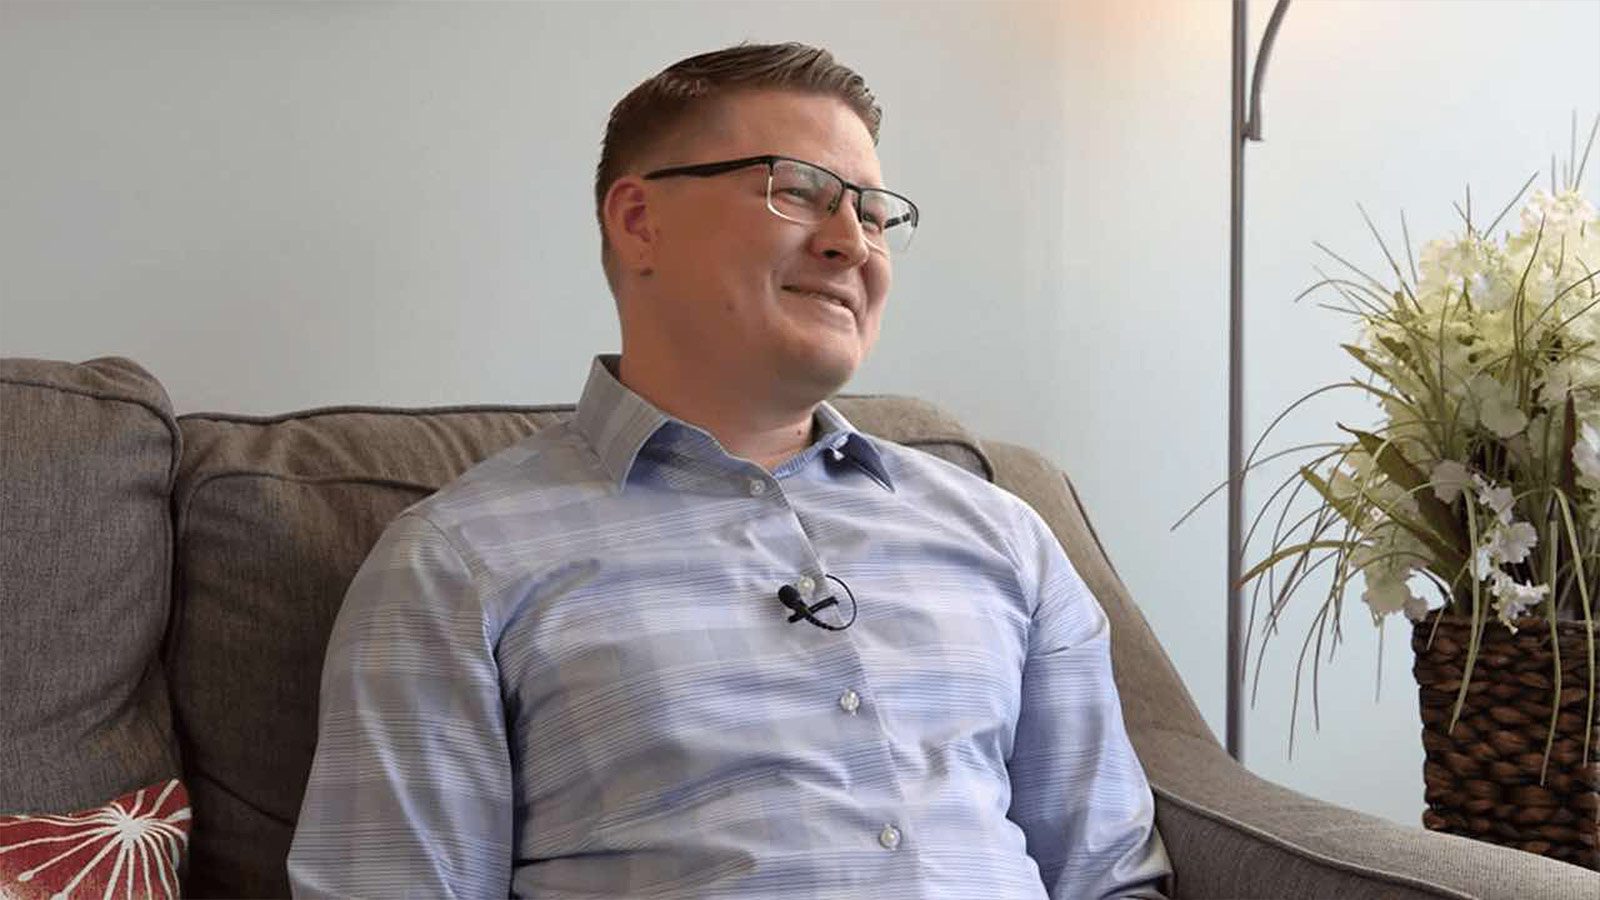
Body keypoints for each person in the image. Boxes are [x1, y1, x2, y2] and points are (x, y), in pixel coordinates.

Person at [288, 42, 1170, 899]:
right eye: (799, 192)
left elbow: (1108, 874)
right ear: (640, 223)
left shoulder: (1004, 533)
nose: (852, 245)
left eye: (872, 214)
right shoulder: (456, 563)